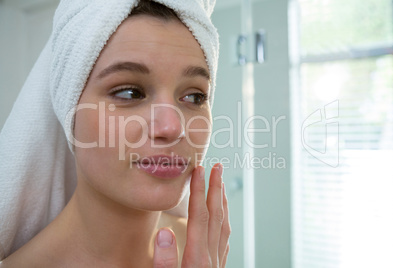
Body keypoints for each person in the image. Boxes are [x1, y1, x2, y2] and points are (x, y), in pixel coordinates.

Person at [0, 0, 230, 267]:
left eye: (194, 96)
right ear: (69, 109)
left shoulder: (204, 251)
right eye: (130, 92)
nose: (172, 127)